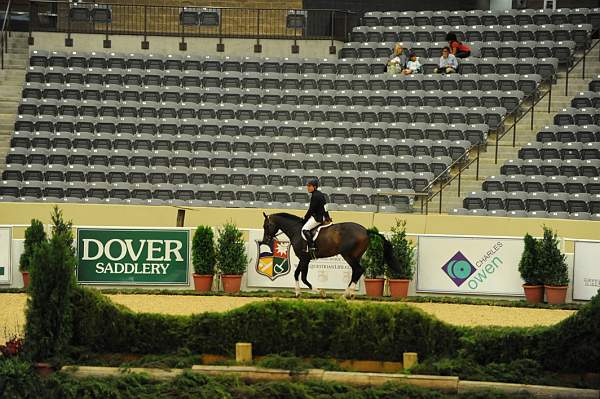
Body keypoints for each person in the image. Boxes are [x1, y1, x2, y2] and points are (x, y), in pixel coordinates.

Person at [302, 179, 331, 254]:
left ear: (314, 187)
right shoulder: (320, 194)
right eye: (307, 186)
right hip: (322, 216)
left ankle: (311, 247)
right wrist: (327, 216)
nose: (308, 187)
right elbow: (325, 206)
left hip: (318, 218)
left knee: (305, 229)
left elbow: (311, 209)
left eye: (309, 186)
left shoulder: (315, 196)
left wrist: (305, 218)